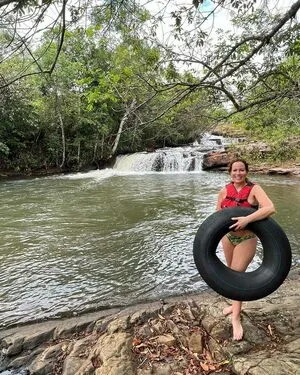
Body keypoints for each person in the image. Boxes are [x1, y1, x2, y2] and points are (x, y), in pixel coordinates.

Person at [216, 159, 275, 341]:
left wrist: (247, 219)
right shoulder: (224, 190)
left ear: (246, 172)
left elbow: (270, 208)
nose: (238, 173)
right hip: (228, 238)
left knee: (236, 276)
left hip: (246, 238)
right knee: (229, 274)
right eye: (235, 170)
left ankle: (236, 317)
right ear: (230, 172)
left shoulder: (255, 189)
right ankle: (234, 306)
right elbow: (216, 215)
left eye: (241, 170)